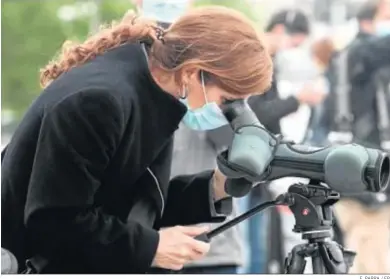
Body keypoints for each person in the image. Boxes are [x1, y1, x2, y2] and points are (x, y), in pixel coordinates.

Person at [1, 6, 273, 274]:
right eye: (227, 101)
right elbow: (53, 222)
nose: (226, 114)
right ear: (192, 72)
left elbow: (136, 201)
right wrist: (152, 248)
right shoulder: (100, 102)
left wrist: (216, 187)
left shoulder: (152, 89)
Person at [133, 0, 244, 274]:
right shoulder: (123, 72)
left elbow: (239, 146)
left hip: (207, 248)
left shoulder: (212, 64)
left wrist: (214, 93)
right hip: (143, 246)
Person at [321, 0, 390, 273]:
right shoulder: (365, 54)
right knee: (373, 258)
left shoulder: (342, 58)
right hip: (372, 175)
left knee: (356, 250)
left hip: (348, 166)